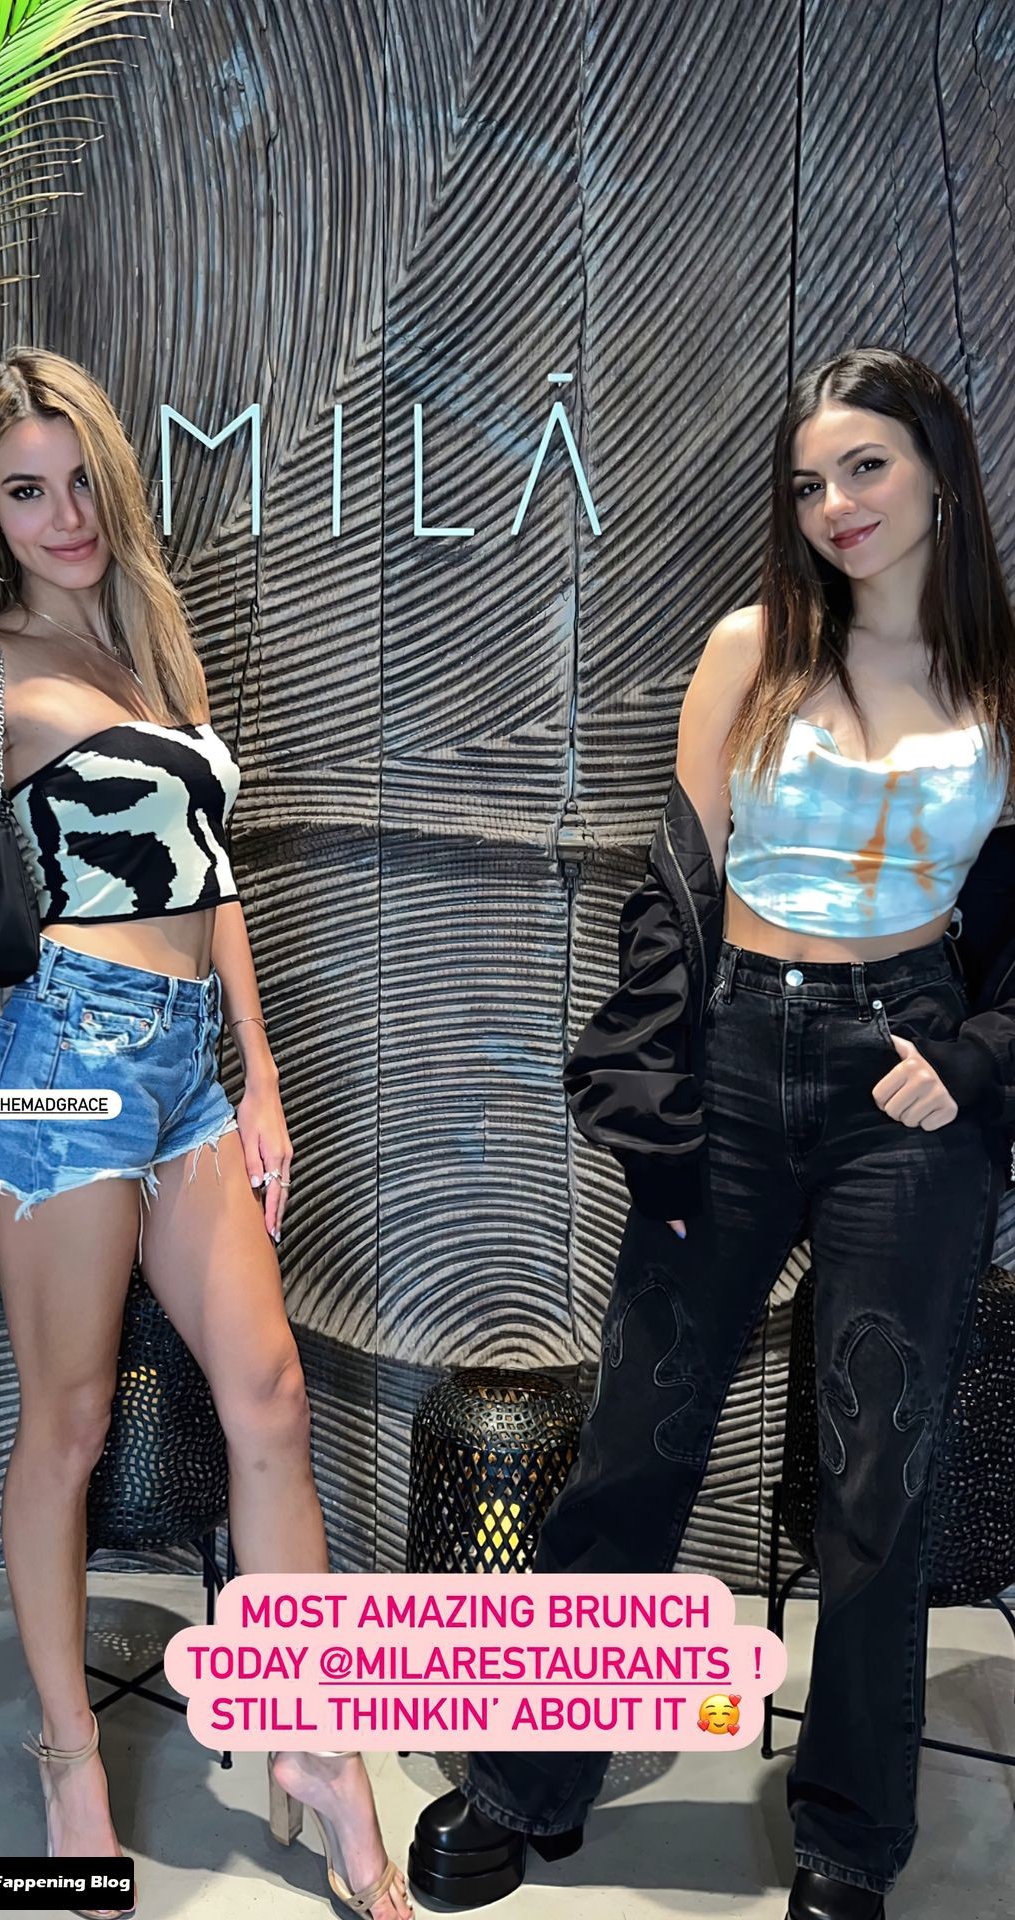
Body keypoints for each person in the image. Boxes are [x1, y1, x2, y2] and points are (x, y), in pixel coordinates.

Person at [409, 345, 1015, 1920]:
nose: (836, 505)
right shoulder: (753, 649)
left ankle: (849, 1838)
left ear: (939, 472)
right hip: (740, 1056)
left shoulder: (1001, 678)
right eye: (811, 482)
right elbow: (673, 892)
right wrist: (660, 1106)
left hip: (906, 1086)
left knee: (881, 1475)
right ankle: (524, 1776)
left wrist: (975, 1056)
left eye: (867, 467)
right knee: (639, 1436)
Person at [0, 348, 413, 1920]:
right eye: (27, 491)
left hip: (188, 1072)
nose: (64, 515)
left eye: (81, 481)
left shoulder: (149, 644)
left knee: (270, 1397)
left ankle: (314, 1747)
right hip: (61, 1070)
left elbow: (214, 880)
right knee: (67, 1427)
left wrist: (260, 1074)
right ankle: (69, 1758)